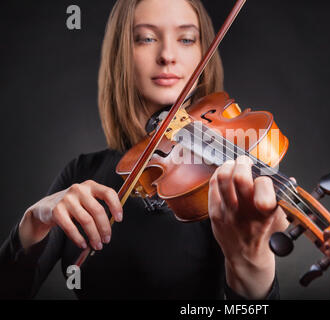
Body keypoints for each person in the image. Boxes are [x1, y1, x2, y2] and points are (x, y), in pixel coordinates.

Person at [0, 0, 289, 299]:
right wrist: (33, 222)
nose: (167, 56)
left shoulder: (226, 187)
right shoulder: (81, 173)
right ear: (122, 55)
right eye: (147, 38)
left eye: (186, 39)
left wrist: (251, 268)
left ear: (204, 54)